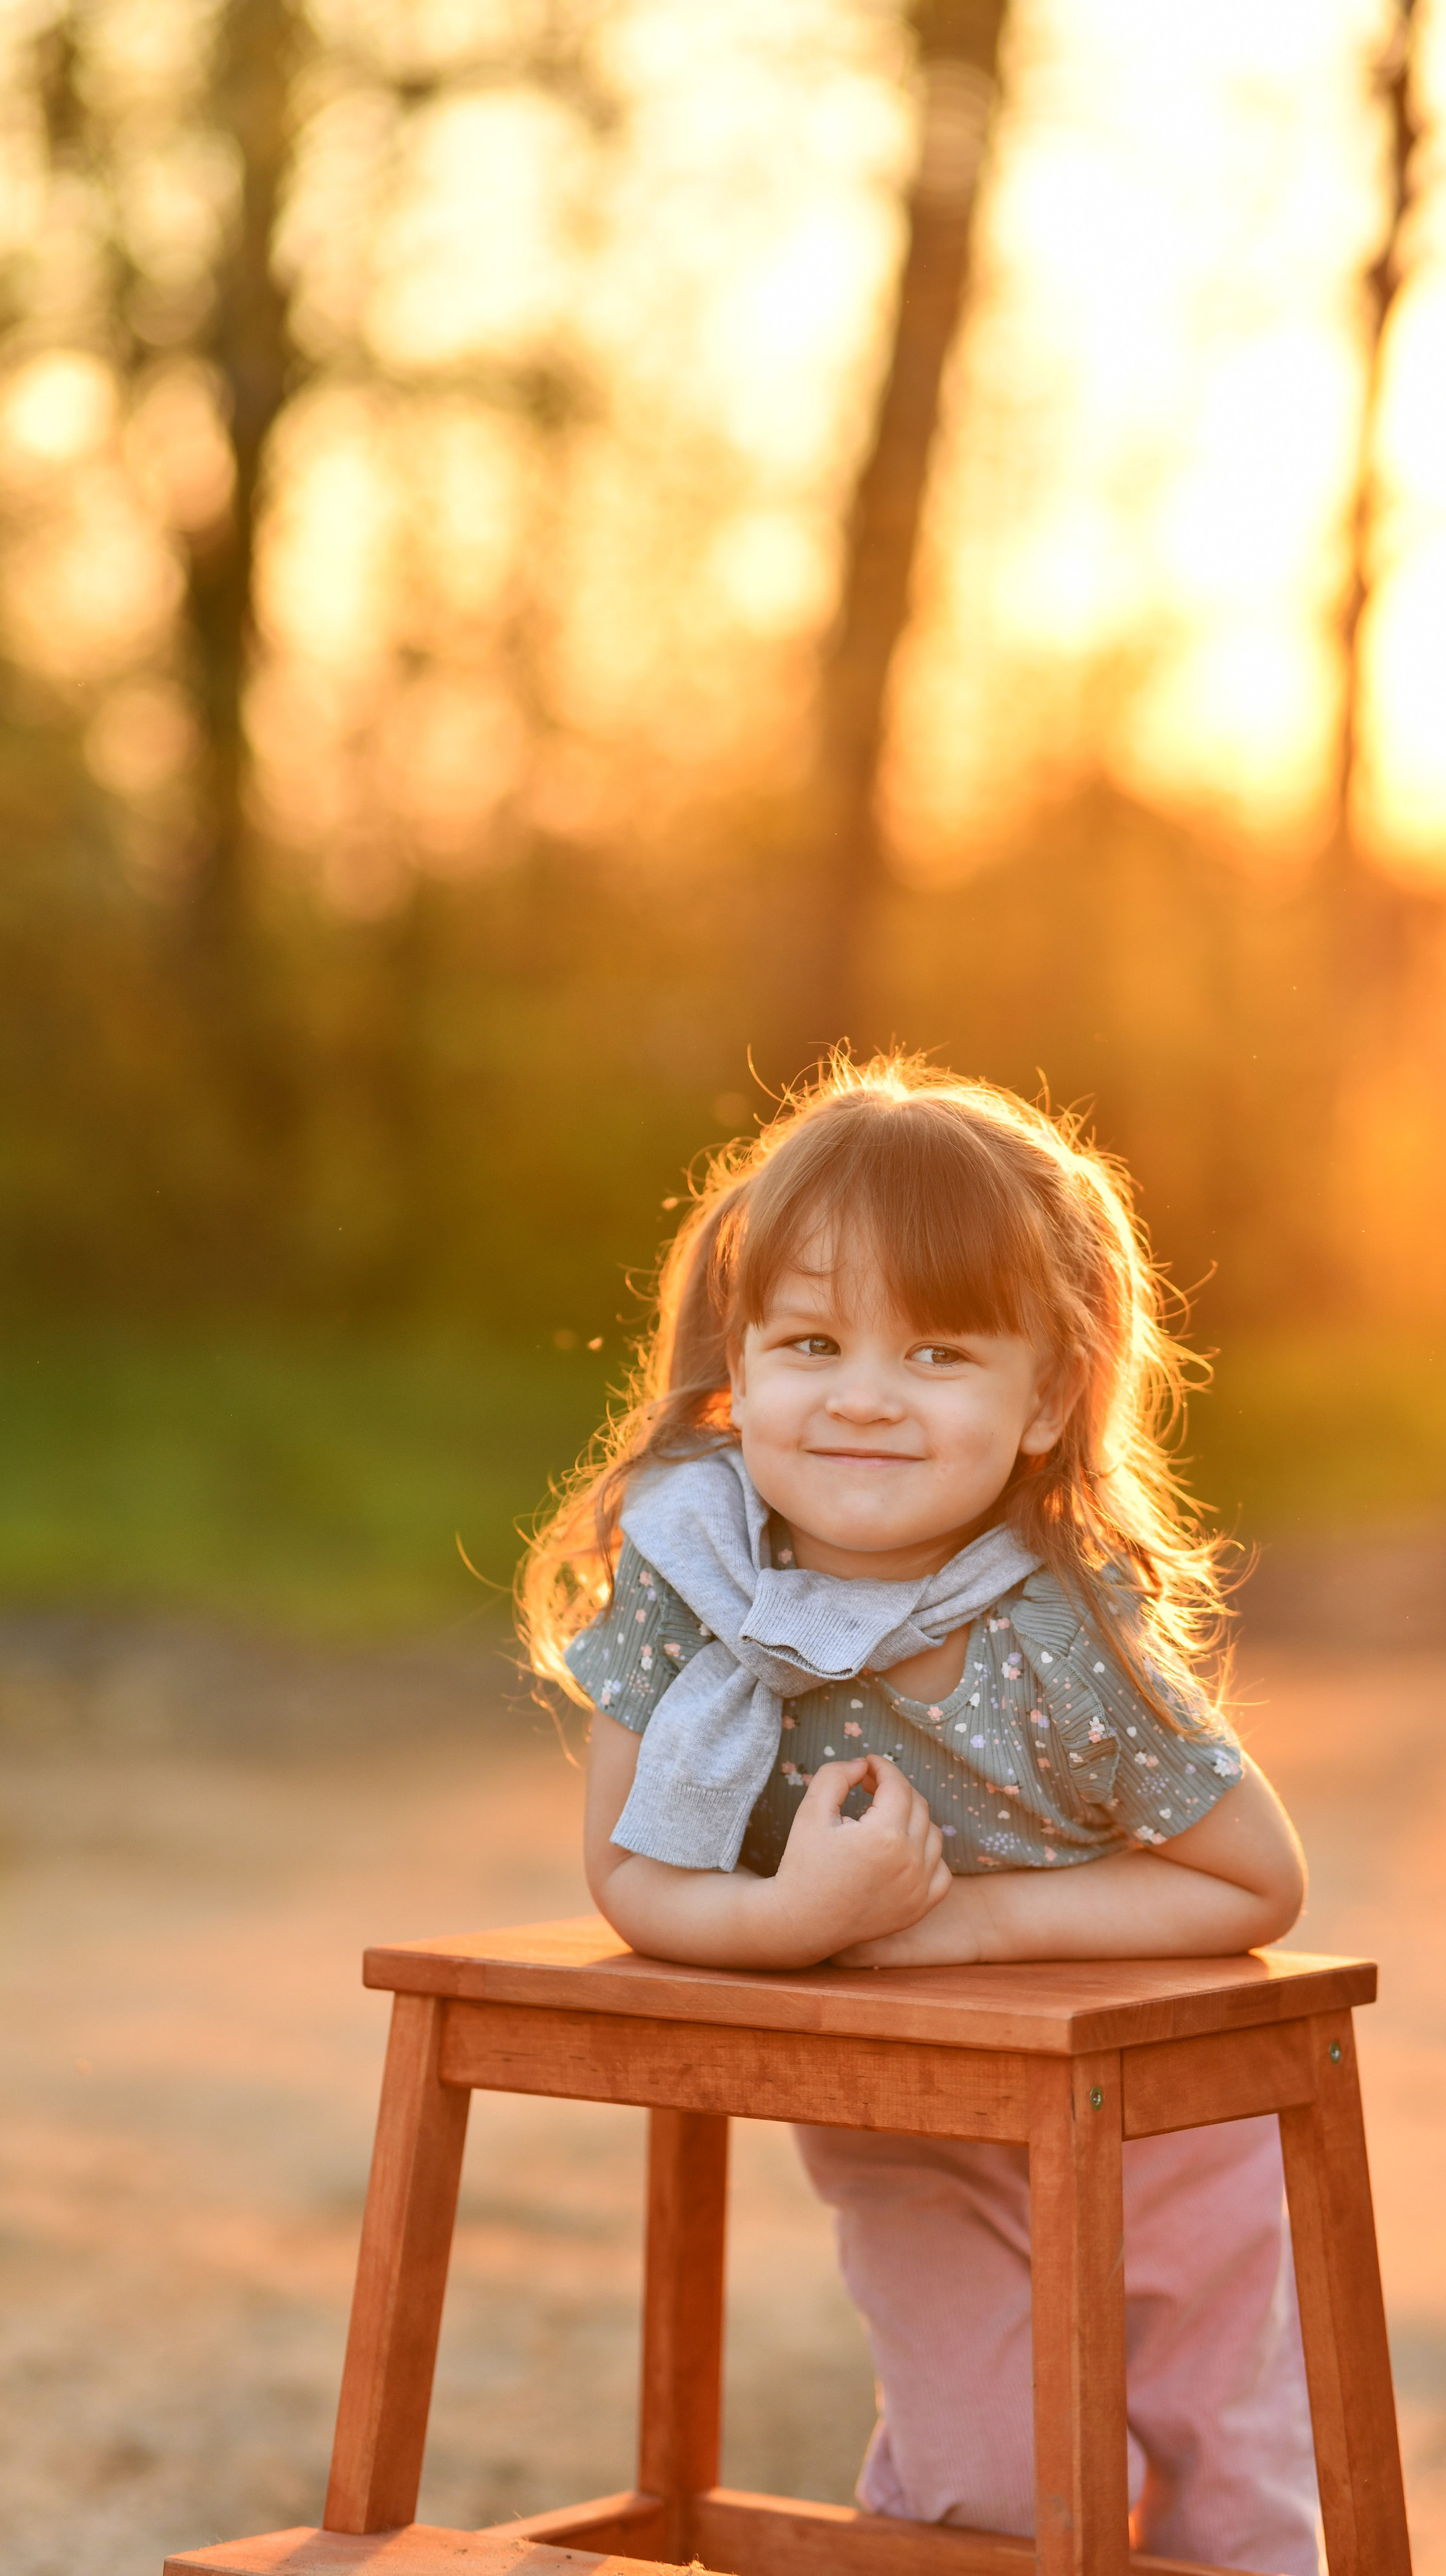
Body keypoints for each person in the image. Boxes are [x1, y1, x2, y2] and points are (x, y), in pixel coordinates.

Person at [522, 1053, 1319, 2574]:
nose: (865, 1396)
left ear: (1046, 1399)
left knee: (1221, 2469)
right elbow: (628, 1874)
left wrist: (963, 1926)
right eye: (812, 1342)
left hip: (1155, 2123)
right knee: (987, 2467)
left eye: (940, 1351)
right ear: (738, 1370)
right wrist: (789, 1921)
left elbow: (1253, 1882)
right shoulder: (692, 1583)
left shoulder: (1061, 1627)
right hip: (912, 2118)